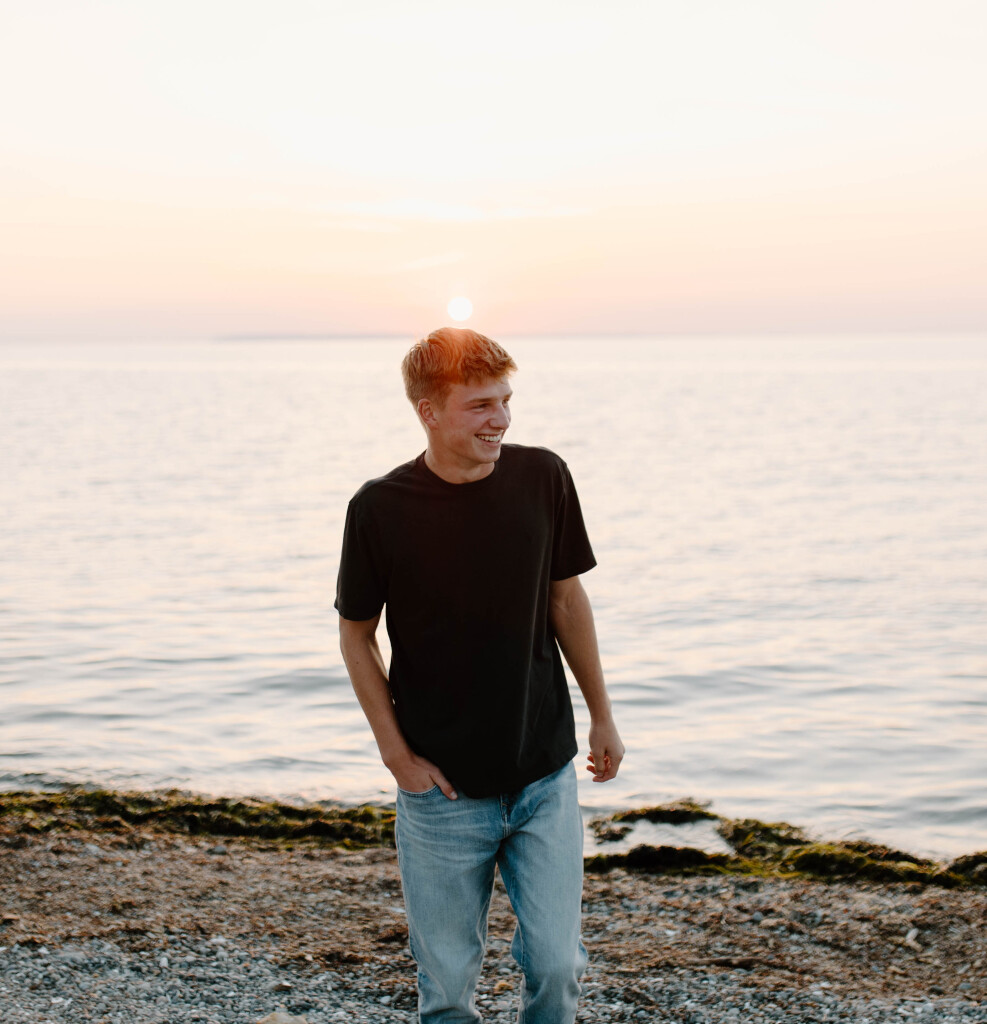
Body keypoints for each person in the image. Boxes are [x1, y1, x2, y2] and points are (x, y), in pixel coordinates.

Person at [335, 326, 624, 1023]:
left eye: (505, 401)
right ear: (428, 411)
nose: (501, 420)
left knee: (556, 966)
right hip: (441, 791)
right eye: (481, 406)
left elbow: (566, 600)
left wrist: (602, 716)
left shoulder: (543, 477)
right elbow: (356, 635)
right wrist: (396, 756)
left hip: (542, 772)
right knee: (446, 987)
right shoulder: (378, 508)